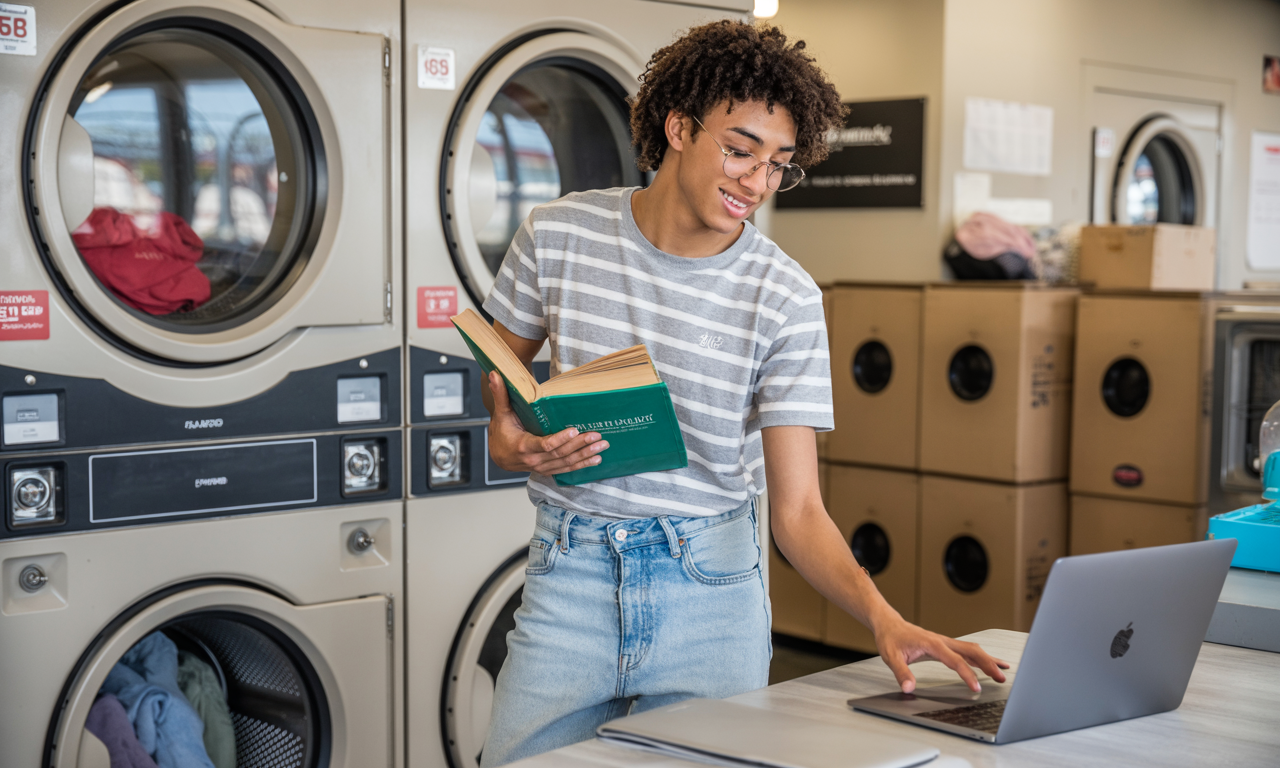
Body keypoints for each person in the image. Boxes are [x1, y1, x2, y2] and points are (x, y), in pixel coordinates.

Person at [477, 20, 1009, 767]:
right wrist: (507, 436)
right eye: (740, 150)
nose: (756, 183)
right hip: (572, 574)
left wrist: (883, 617)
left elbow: (796, 509)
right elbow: (503, 371)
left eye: (779, 164)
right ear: (678, 127)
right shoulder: (559, 234)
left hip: (712, 589)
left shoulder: (784, 295)